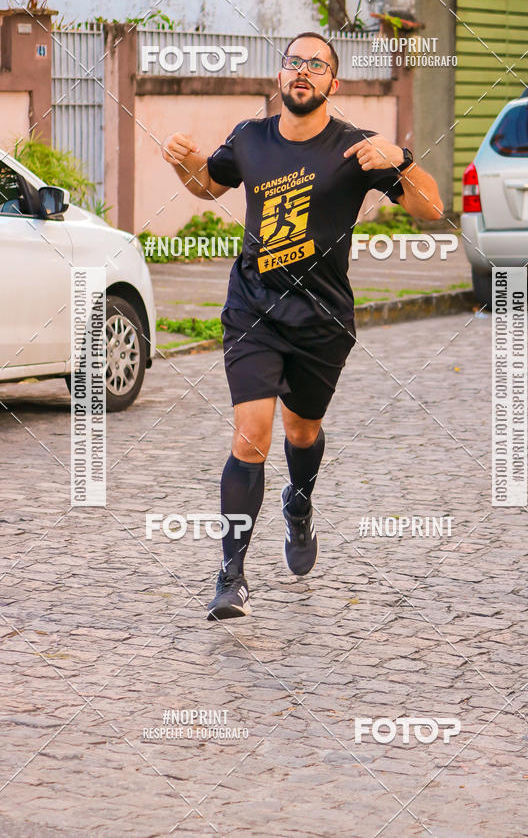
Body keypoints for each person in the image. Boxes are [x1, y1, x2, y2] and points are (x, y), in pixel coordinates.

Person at [162, 31, 443, 621]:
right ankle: (231, 575)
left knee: (302, 430)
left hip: (322, 319)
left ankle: (299, 503)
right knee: (251, 434)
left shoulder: (358, 148)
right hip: (253, 309)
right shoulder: (250, 137)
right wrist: (184, 161)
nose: (303, 71)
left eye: (317, 65)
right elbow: (207, 185)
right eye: (295, 62)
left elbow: (431, 208)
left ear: (332, 83)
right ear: (280, 75)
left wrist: (402, 160)